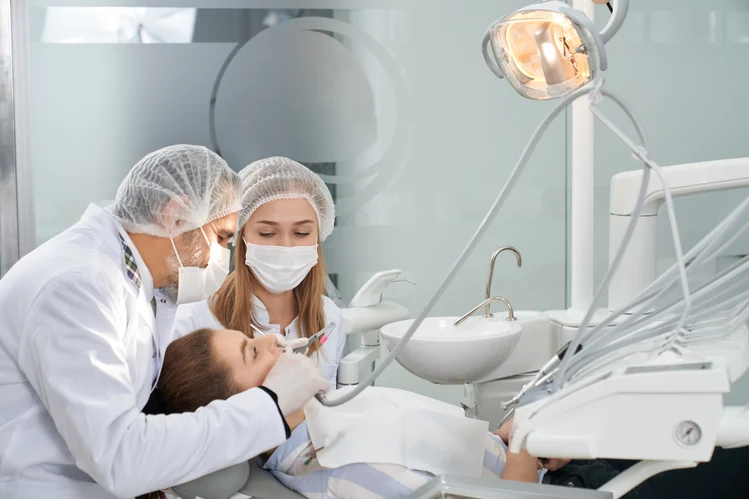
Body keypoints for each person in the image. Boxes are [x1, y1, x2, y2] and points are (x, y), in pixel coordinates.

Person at [0, 145, 330, 499]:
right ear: (175, 216)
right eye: (221, 238)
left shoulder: (131, 283)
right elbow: (119, 459)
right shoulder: (79, 286)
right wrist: (271, 404)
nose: (222, 256)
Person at [153, 327, 749, 499]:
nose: (277, 343)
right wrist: (529, 445)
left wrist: (525, 439)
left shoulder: (328, 416)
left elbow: (464, 462)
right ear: (241, 408)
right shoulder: (336, 473)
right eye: (255, 353)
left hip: (550, 466)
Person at [171, 156, 347, 389]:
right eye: (266, 233)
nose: (286, 246)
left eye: (302, 233)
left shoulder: (329, 318)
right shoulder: (193, 321)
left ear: (318, 237)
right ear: (241, 237)